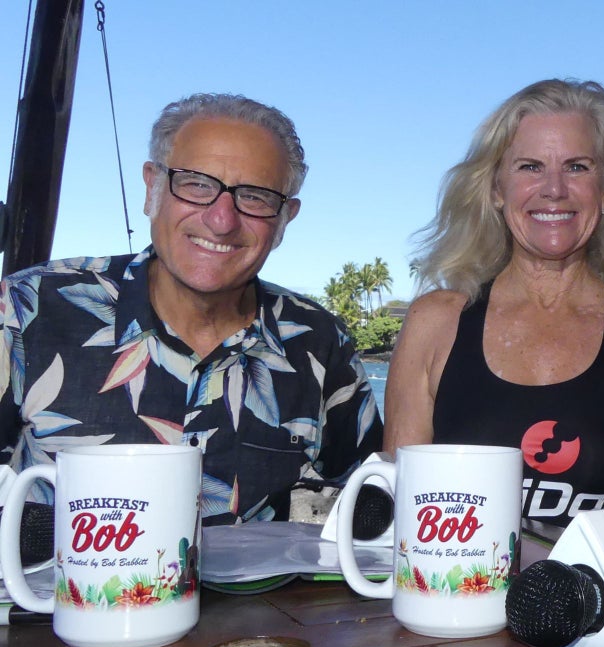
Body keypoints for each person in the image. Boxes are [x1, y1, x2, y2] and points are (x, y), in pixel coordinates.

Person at [0, 93, 383, 525]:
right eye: (197, 184)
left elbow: (365, 512)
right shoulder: (25, 310)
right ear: (152, 188)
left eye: (255, 197)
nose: (222, 219)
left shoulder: (319, 341)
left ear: (284, 219)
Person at [384, 79, 604, 555]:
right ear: (495, 189)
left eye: (577, 167)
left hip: (596, 618)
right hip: (453, 615)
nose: (554, 189)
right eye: (530, 166)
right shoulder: (435, 324)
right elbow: (399, 511)